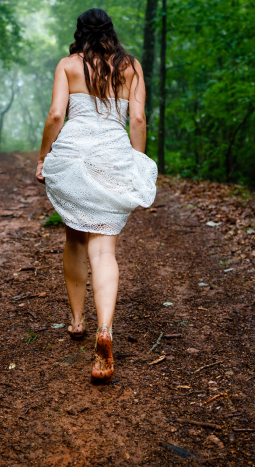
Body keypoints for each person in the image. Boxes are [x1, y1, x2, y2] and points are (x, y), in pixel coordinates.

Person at [35, 8, 158, 383]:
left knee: (74, 237)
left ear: (79, 32)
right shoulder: (131, 66)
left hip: (73, 157)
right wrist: (137, 162)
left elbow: (57, 114)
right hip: (112, 156)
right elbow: (136, 120)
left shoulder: (68, 65)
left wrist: (43, 155)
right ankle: (105, 329)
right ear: (110, 31)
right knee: (104, 250)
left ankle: (76, 321)